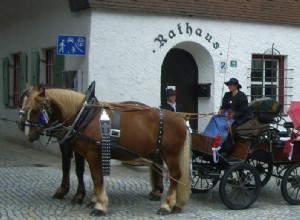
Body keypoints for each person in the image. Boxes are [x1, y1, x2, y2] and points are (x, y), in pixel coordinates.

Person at [204, 78, 252, 157]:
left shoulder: (242, 96)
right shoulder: (227, 95)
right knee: (214, 118)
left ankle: (220, 144)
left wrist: (233, 114)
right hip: (226, 115)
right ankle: (208, 137)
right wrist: (221, 110)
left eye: (231, 85)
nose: (229, 86)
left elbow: (243, 111)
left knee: (223, 125)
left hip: (236, 117)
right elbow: (223, 106)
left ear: (236, 86)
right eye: (229, 85)